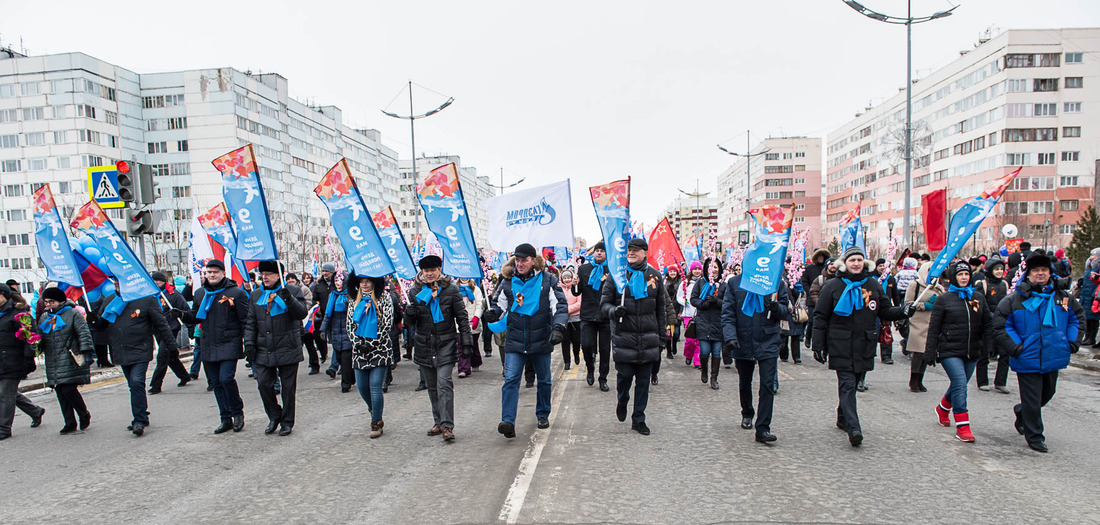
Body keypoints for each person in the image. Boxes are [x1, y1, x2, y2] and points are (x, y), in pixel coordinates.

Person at [812, 246, 910, 447]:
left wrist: (905, 311)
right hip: (840, 343)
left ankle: (842, 416)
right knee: (847, 384)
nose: (856, 263)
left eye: (859, 260)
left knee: (853, 384)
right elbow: (821, 316)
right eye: (852, 260)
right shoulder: (832, 286)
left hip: (864, 343)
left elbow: (885, 310)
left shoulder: (873, 285)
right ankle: (854, 428)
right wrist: (817, 344)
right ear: (844, 264)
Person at [994, 252, 1085, 453]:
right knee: (1033, 399)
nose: (1040, 274)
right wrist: (1017, 347)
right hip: (1027, 357)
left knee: (1047, 394)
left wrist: (1071, 342)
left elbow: (1076, 318)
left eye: (1044, 270)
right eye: (1036, 270)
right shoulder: (1014, 299)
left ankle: (1022, 411)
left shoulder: (1063, 297)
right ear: (1028, 274)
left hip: (1054, 354)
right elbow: (1001, 325)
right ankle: (1035, 436)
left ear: (1050, 272)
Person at [487, 243, 567, 438]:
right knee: (511, 379)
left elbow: (560, 306)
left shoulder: (547, 280)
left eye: (524, 260)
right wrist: (493, 313)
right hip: (515, 340)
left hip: (540, 338)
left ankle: (542, 414)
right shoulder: (507, 281)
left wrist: (558, 328)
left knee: (544, 380)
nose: (520, 263)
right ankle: (508, 421)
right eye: (517, 260)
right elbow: (500, 304)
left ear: (533, 260)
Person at [92, 277, 177, 436]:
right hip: (121, 349)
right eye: (116, 282)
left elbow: (161, 324)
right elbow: (101, 325)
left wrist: (171, 346)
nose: (118, 285)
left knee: (137, 381)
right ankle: (142, 414)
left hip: (140, 349)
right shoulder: (110, 300)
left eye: (121, 281)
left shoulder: (145, 300)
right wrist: (94, 319)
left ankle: (138, 420)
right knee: (133, 385)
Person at [405, 255, 473, 442]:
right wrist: (408, 315)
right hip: (424, 345)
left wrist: (467, 342)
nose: (429, 274)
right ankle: (438, 421)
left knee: (444, 384)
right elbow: (410, 323)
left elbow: (462, 317)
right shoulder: (414, 291)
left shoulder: (451, 289)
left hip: (446, 343)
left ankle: (447, 426)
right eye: (426, 271)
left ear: (439, 270)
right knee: (432, 387)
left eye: (432, 270)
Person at [601, 238, 665, 436]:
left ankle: (639, 419)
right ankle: (622, 400)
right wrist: (615, 311)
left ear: (645, 253)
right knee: (625, 378)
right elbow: (604, 305)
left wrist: (662, 337)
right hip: (624, 338)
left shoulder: (655, 276)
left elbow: (660, 308)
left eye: (636, 250)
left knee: (644, 382)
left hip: (648, 338)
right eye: (629, 250)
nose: (631, 253)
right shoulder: (616, 276)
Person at [180, 259, 251, 434]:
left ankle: (237, 413)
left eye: (215, 272)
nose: (211, 275)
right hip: (208, 343)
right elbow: (196, 315)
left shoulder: (235, 293)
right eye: (209, 272)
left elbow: (246, 320)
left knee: (226, 379)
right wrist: (182, 315)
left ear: (223, 273)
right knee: (216, 383)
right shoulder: (200, 293)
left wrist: (249, 342)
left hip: (229, 342)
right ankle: (225, 418)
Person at [924, 261, 993, 443]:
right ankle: (963, 426)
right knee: (960, 382)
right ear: (954, 277)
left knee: (958, 384)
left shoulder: (978, 296)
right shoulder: (944, 299)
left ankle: (943, 408)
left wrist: (990, 344)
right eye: (960, 274)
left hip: (972, 350)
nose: (964, 277)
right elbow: (934, 328)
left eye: (967, 274)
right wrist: (930, 351)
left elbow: (987, 322)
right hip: (950, 350)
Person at [722, 272, 787, 443]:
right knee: (745, 381)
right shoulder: (735, 283)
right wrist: (730, 337)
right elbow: (728, 313)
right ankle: (747, 412)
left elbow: (785, 310)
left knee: (767, 384)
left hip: (768, 340)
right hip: (743, 339)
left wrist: (776, 308)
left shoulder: (775, 282)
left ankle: (763, 428)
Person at [244, 261, 308, 436]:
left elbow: (301, 313)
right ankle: (274, 415)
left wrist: (288, 298)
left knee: (288, 388)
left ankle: (287, 421)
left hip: (287, 346)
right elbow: (251, 322)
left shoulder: (293, 291)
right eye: (262, 273)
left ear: (279, 275)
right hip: (264, 348)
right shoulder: (256, 295)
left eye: (269, 274)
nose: (264, 277)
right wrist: (249, 343)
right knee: (264, 384)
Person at [36, 287, 95, 435]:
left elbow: (83, 333)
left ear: (60, 301)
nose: (48, 305)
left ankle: (83, 413)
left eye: (52, 302)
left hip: (70, 356)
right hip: (53, 358)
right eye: (46, 302)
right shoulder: (45, 317)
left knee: (68, 389)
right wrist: (37, 344)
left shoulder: (73, 313)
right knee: (60, 390)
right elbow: (41, 335)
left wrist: (87, 351)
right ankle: (69, 422)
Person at [347, 274, 395, 439]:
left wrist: (372, 344)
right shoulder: (354, 301)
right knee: (362, 387)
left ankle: (376, 422)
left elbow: (387, 324)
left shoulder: (385, 299)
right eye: (361, 281)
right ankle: (374, 408)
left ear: (374, 283)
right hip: (359, 350)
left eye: (367, 281)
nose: (364, 284)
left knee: (375, 386)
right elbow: (350, 325)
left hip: (379, 349)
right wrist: (358, 343)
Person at [0, 283, 45, 440]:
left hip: (14, 360)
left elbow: (31, 337)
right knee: (8, 393)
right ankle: (35, 411)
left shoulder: (19, 313)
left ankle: (4, 428)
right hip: (1, 360)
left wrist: (28, 357)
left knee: (5, 394)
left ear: (4, 296)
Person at [574, 241, 612, 391]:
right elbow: (576, 292)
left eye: (602, 251)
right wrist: (575, 284)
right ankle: (590, 369)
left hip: (605, 316)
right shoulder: (584, 269)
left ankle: (603, 378)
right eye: (597, 251)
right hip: (588, 315)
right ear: (593, 253)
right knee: (587, 345)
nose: (599, 253)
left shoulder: (611, 270)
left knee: (605, 350)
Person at [148, 272, 192, 395]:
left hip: (170, 329)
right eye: (154, 281)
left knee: (162, 356)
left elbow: (185, 310)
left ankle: (156, 385)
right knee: (171, 356)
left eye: (158, 281)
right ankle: (184, 375)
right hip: (157, 329)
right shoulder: (151, 295)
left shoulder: (173, 294)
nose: (156, 283)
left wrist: (188, 324)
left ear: (164, 282)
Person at [903, 262, 944, 393]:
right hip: (918, 322)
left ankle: (920, 379)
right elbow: (908, 303)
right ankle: (913, 379)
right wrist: (925, 305)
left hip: (932, 323)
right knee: (918, 351)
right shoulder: (915, 285)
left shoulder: (939, 288)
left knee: (927, 351)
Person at [976, 257, 1011, 393]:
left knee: (1005, 353)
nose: (999, 272)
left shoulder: (1005, 284)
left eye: (1001, 269)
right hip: (986, 324)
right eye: (996, 269)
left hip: (1003, 324)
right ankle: (982, 381)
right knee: (984, 353)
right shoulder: (982, 284)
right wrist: (989, 315)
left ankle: (1000, 382)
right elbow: (977, 303)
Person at [690, 258, 726, 389]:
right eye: (711, 267)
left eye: (716, 267)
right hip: (703, 322)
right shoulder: (700, 283)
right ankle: (704, 369)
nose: (713, 269)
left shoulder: (723, 285)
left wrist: (717, 301)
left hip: (718, 323)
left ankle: (714, 378)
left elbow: (728, 303)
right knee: (704, 351)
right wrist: (704, 304)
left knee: (716, 352)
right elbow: (693, 299)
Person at [320, 271, 354, 392]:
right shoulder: (332, 296)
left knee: (346, 359)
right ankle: (351, 376)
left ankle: (345, 384)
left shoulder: (350, 295)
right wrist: (323, 329)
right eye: (335, 281)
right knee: (339, 357)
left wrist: (349, 306)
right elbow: (327, 314)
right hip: (335, 331)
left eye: (340, 280)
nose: (338, 283)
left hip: (348, 332)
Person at [800, 248, 831, 349]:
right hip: (812, 299)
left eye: (822, 256)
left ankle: (819, 342)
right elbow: (804, 281)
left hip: (825, 299)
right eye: (819, 256)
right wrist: (810, 291)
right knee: (812, 320)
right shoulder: (809, 268)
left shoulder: (827, 269)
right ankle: (808, 337)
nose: (821, 258)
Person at [455, 277, 485, 378]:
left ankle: (476, 361)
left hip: (472, 321)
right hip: (459, 322)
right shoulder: (455, 289)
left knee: (473, 344)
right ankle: (464, 369)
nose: (464, 278)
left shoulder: (476, 289)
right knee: (462, 345)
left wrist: (477, 317)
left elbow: (480, 305)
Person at [679, 260, 704, 367]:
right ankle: (688, 355)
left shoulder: (705, 282)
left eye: (699, 269)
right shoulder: (685, 283)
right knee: (690, 339)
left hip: (700, 314)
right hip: (688, 314)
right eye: (695, 269)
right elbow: (678, 296)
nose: (697, 271)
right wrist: (684, 301)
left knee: (699, 340)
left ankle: (697, 361)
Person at [875, 258, 897, 365]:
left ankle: (886, 356)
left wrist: (897, 309)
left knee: (886, 332)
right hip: (873, 309)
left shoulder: (890, 279)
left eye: (884, 265)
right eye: (880, 266)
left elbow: (895, 295)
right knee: (873, 332)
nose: (882, 268)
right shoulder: (872, 279)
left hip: (886, 308)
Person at [559, 269, 582, 371]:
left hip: (576, 319)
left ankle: (576, 354)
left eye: (568, 277)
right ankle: (567, 361)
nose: (567, 279)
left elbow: (579, 303)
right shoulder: (559, 290)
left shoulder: (576, 288)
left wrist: (567, 310)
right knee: (565, 341)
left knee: (576, 340)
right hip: (564, 320)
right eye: (565, 278)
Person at [664, 265, 684, 358]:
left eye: (674, 271)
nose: (672, 273)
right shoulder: (664, 282)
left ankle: (674, 344)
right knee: (668, 334)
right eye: (671, 271)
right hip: (667, 311)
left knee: (676, 333)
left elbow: (682, 297)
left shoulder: (681, 283)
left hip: (676, 310)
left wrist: (681, 311)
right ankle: (669, 351)